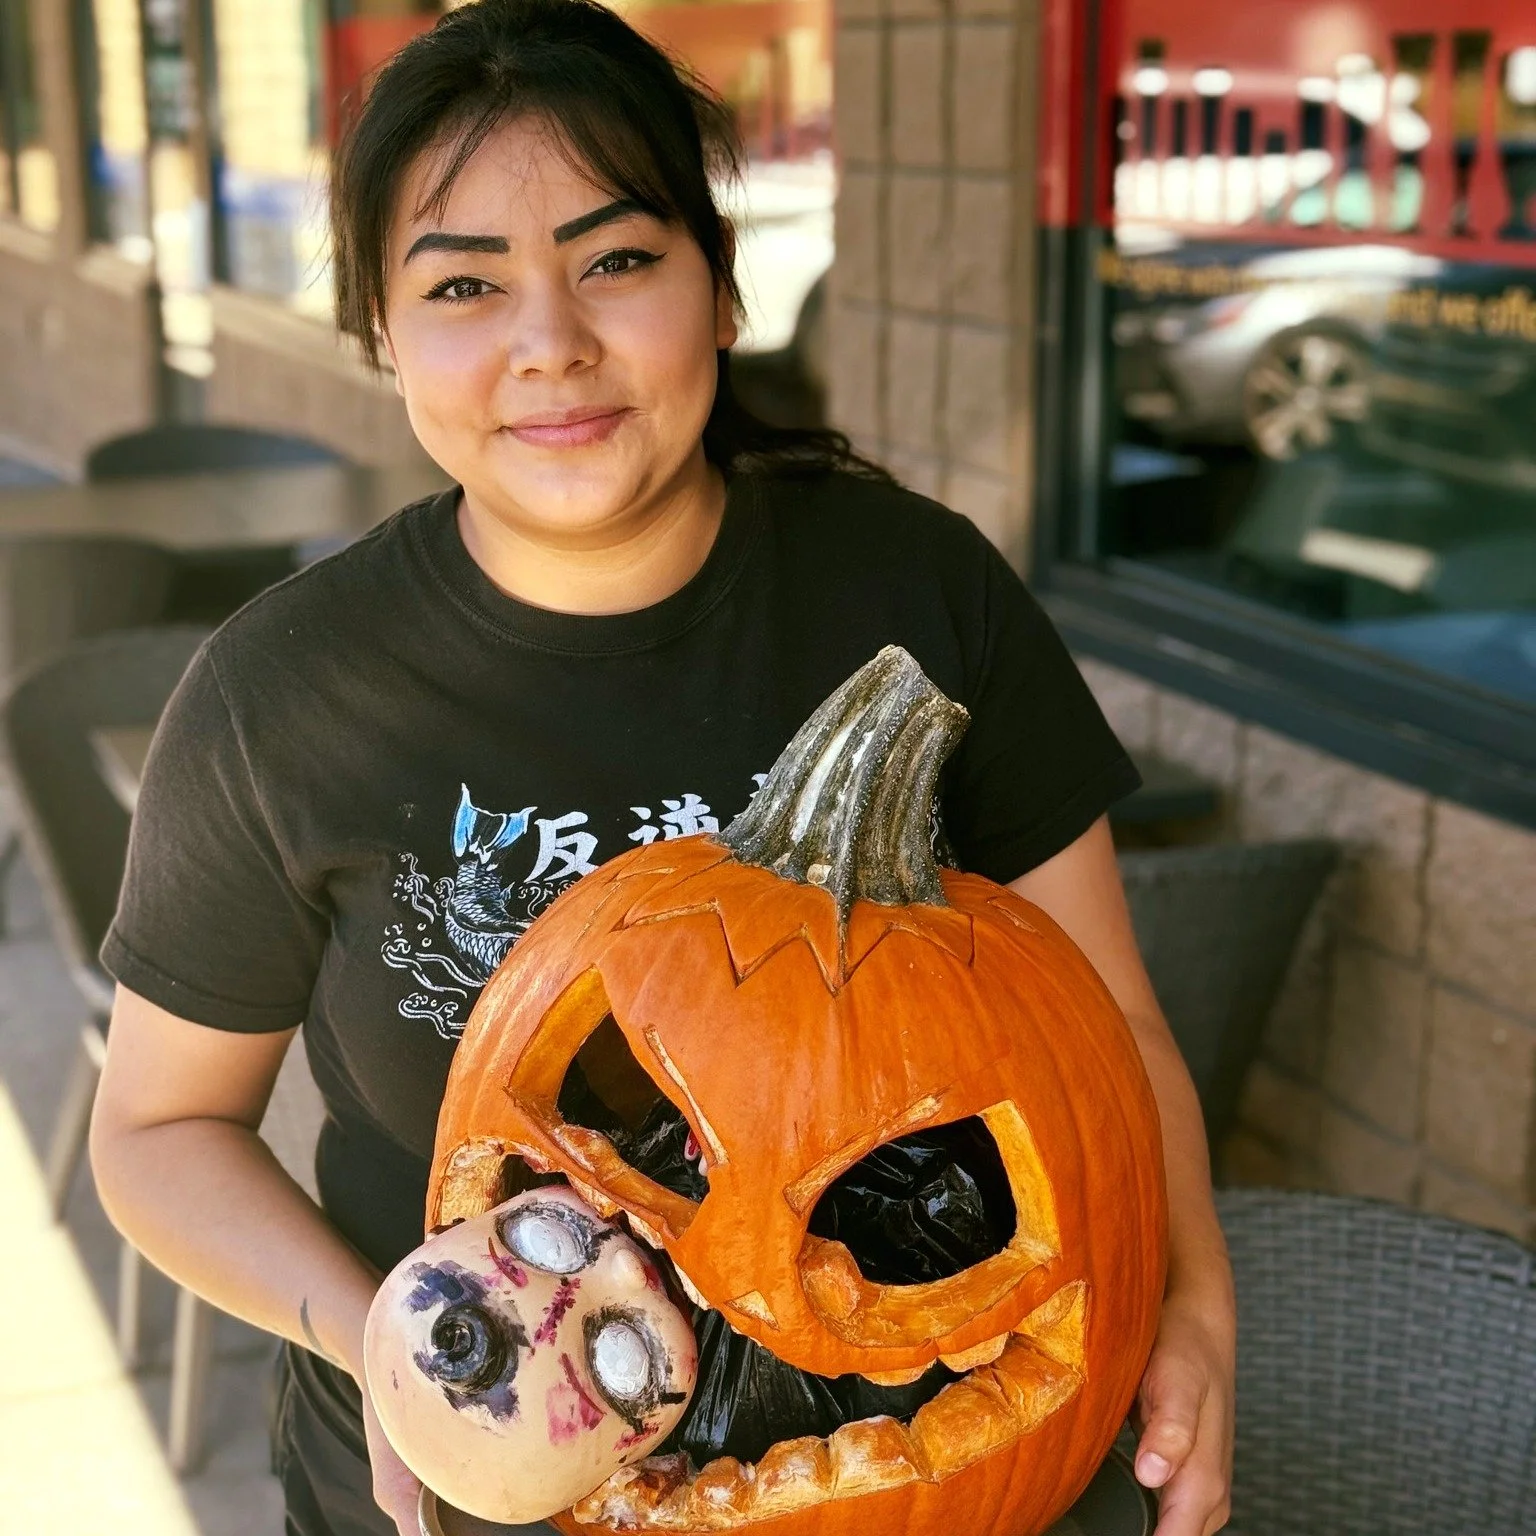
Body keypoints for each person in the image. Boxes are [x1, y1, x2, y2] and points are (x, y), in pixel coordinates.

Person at [88, 3, 1235, 1534]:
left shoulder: (916, 598)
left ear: (720, 289)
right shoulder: (286, 691)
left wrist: (1200, 1301)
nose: (550, 342)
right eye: (463, 285)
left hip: (906, 1471)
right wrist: (370, 1334)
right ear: (381, 330)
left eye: (618, 261)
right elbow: (157, 1133)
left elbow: (1117, 1036)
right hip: (464, 1490)